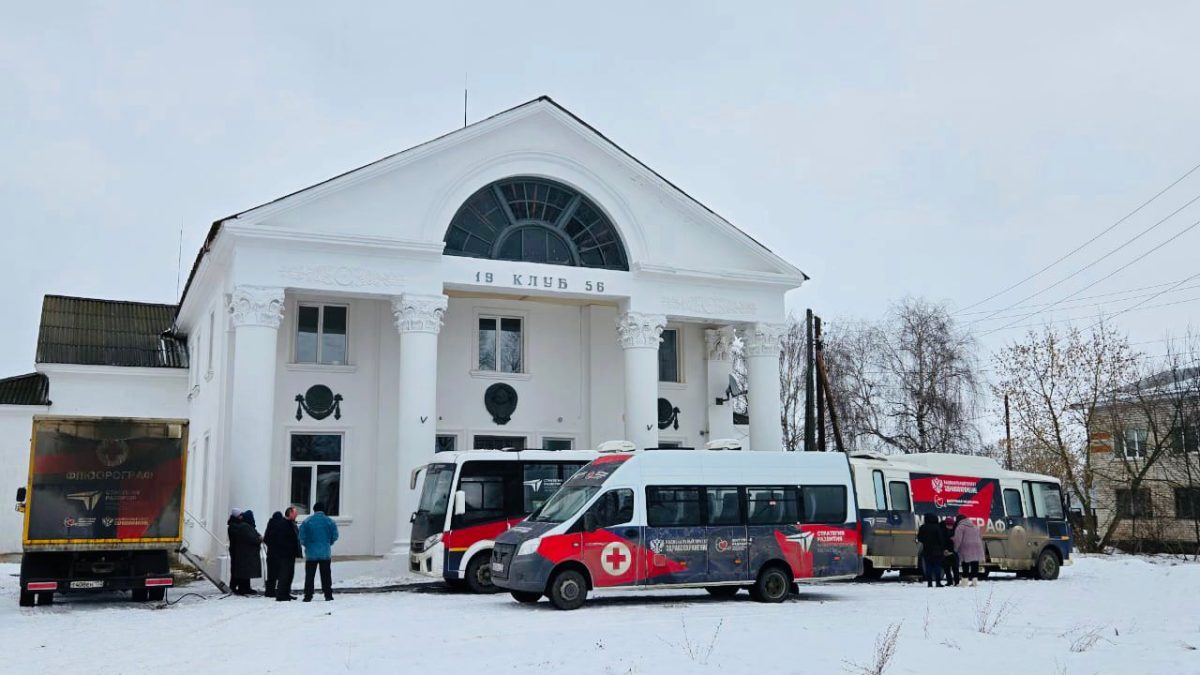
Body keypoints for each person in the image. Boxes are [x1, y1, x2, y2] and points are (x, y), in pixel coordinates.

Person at [299, 501, 339, 602]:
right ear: (324, 510)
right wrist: (328, 542)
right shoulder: (329, 521)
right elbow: (335, 535)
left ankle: (308, 596)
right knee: (326, 575)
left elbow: (301, 537)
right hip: (325, 552)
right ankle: (328, 594)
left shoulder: (307, 521)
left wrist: (307, 545)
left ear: (314, 510)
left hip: (311, 553)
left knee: (310, 575)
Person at [263, 507, 302, 600]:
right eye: (295, 513)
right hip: (284, 554)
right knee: (284, 575)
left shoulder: (289, 524)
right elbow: (282, 539)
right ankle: (281, 594)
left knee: (287, 575)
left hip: (286, 553)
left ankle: (285, 593)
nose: (297, 515)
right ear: (290, 513)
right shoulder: (283, 524)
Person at [227, 509, 264, 595]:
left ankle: (243, 587)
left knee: (243, 570)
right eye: (240, 515)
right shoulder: (239, 526)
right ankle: (235, 587)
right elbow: (248, 538)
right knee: (239, 570)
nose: (241, 516)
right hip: (237, 550)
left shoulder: (240, 525)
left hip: (240, 550)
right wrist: (258, 538)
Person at [952, 514, 986, 587]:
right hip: (977, 546)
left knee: (965, 564)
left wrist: (955, 548)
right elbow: (979, 536)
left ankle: (965, 582)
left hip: (966, 547)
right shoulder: (975, 526)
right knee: (975, 564)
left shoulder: (960, 527)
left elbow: (958, 540)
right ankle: (974, 582)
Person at [916, 513, 948, 588]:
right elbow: (941, 539)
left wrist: (925, 541)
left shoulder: (922, 527)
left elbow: (919, 538)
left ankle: (929, 583)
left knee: (928, 567)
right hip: (937, 551)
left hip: (927, 550)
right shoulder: (937, 527)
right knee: (937, 566)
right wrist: (942, 548)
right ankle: (938, 582)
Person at [942, 517, 961, 587]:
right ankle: (949, 581)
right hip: (946, 552)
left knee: (955, 568)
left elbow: (958, 542)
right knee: (946, 568)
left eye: (951, 525)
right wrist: (944, 550)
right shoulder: (943, 530)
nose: (949, 526)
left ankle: (956, 581)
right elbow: (942, 541)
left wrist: (953, 551)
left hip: (954, 552)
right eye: (948, 525)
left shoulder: (956, 531)